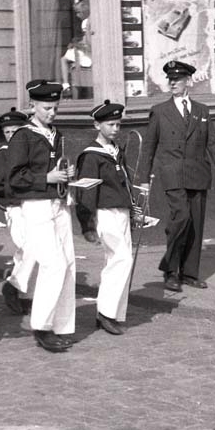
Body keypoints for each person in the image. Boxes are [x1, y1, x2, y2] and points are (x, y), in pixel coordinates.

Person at [139, 60, 215, 291]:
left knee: (195, 223)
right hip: (172, 173)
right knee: (180, 217)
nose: (172, 83)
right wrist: (143, 179)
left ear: (188, 81)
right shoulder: (159, 111)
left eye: (177, 80)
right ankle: (171, 271)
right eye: (170, 79)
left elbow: (213, 141)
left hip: (198, 173)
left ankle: (189, 273)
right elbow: (149, 146)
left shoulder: (202, 110)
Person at [6, 80, 76, 352]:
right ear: (33, 105)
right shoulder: (23, 136)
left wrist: (64, 177)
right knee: (53, 264)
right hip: (36, 206)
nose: (52, 113)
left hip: (58, 203)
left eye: (55, 108)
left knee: (68, 263)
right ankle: (42, 326)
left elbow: (55, 167)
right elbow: (13, 178)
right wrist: (46, 177)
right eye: (47, 108)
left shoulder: (54, 133)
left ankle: (62, 324)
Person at [75, 100, 137, 335]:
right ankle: (105, 313)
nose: (115, 129)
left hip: (120, 211)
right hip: (104, 213)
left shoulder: (116, 150)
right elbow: (86, 190)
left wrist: (133, 210)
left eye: (118, 125)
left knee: (121, 261)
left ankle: (114, 313)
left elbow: (125, 183)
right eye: (110, 124)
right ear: (97, 125)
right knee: (120, 260)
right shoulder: (91, 156)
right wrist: (87, 224)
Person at [0, 107, 32, 316]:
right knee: (27, 247)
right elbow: (0, 185)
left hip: (34, 205)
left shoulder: (30, 150)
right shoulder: (3, 154)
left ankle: (23, 293)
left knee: (31, 250)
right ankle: (13, 285)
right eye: (6, 132)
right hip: (16, 207)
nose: (10, 135)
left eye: (14, 131)